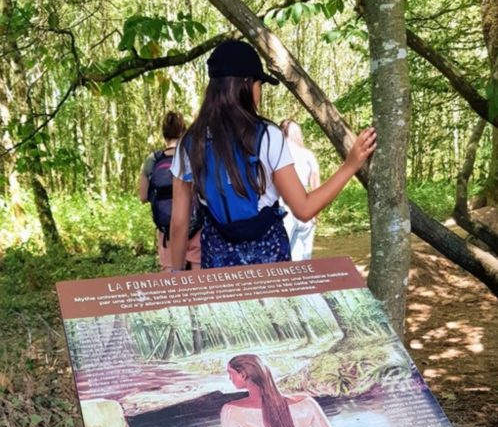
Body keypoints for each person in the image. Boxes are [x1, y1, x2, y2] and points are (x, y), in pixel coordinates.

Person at [169, 39, 376, 270]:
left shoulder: (189, 143)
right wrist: (350, 166)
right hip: (270, 267)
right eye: (260, 84)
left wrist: (177, 281)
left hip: (218, 268)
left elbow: (179, 224)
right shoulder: (268, 136)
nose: (260, 93)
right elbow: (304, 209)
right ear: (246, 84)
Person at [138, 110, 202, 270]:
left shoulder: (152, 160)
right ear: (184, 131)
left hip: (168, 231)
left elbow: (143, 196)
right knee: (199, 283)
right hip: (194, 227)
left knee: (171, 282)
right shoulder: (193, 156)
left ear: (163, 134)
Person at [279, 119, 320, 261]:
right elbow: (315, 182)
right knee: (304, 255)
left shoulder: (278, 153)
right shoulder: (307, 154)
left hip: (283, 205)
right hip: (306, 203)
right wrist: (316, 210)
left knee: (283, 253)